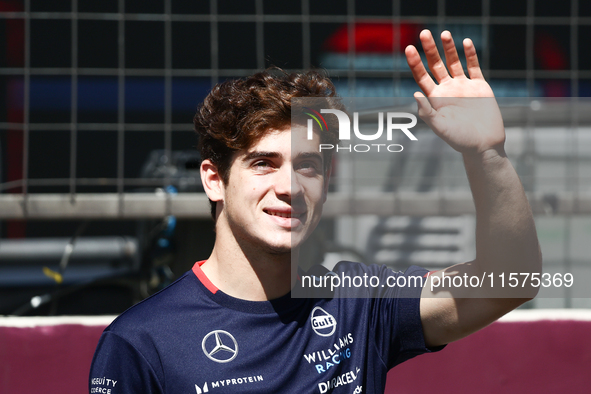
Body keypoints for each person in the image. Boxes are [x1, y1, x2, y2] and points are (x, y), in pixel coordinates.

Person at [89, 30, 541, 394]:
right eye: (263, 163)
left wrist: (489, 155)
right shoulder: (139, 343)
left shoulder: (359, 302)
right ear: (213, 180)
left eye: (308, 165)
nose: (289, 187)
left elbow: (510, 281)